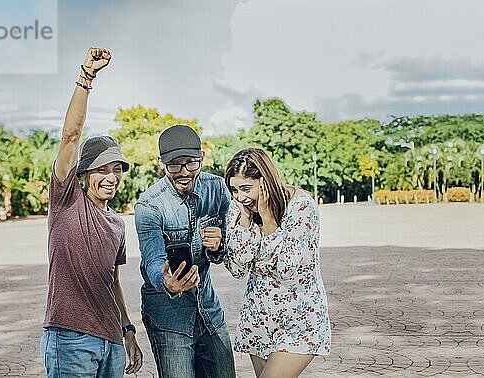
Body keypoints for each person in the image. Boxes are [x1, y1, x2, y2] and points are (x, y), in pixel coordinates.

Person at [40, 48, 143, 377]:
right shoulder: (66, 200)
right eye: (102, 169)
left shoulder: (117, 224)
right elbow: (70, 136)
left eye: (117, 169)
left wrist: (128, 332)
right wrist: (87, 77)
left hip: (111, 343)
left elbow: (112, 282)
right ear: (84, 175)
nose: (111, 177)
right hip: (70, 340)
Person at [134, 124, 236, 377]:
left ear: (202, 157)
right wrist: (167, 282)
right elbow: (153, 260)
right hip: (168, 315)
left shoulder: (217, 188)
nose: (184, 172)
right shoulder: (149, 205)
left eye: (191, 163)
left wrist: (219, 244)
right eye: (174, 165)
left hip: (208, 308)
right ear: (161, 163)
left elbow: (229, 245)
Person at [223, 148, 331, 378]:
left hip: (299, 321)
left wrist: (269, 220)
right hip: (259, 320)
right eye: (234, 189)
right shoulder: (240, 208)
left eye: (245, 188)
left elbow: (286, 267)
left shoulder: (301, 206)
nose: (239, 197)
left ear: (265, 182)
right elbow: (237, 267)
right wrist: (245, 221)